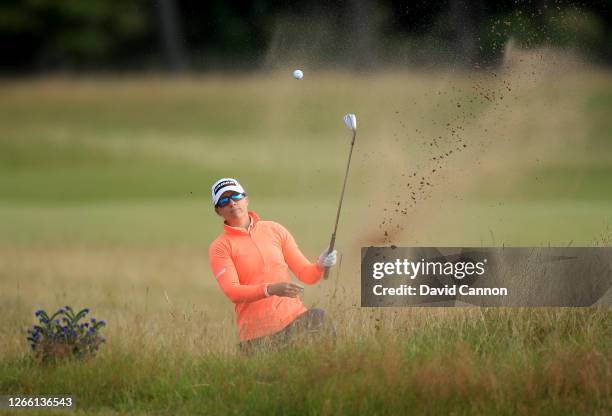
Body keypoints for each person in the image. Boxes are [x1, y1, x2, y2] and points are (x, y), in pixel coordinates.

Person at [208, 178, 337, 352]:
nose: (231, 203)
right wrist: (270, 289)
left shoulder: (274, 230)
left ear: (246, 199)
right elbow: (233, 292)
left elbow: (307, 274)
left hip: (294, 322)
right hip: (256, 336)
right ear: (218, 211)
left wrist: (320, 265)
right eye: (224, 201)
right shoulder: (220, 246)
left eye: (236, 196)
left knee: (319, 318)